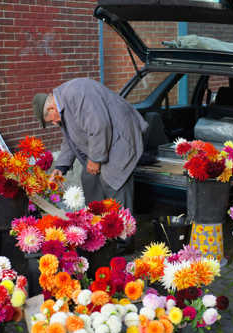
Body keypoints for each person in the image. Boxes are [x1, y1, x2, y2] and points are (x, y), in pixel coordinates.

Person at [32, 77, 148, 253]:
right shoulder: (62, 104)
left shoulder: (77, 93)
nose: (55, 123)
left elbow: (100, 126)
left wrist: (95, 159)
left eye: (51, 120)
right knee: (89, 178)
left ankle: (124, 243)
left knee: (114, 183)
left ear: (51, 108)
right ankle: (100, 235)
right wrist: (60, 167)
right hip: (103, 143)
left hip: (120, 139)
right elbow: (69, 140)